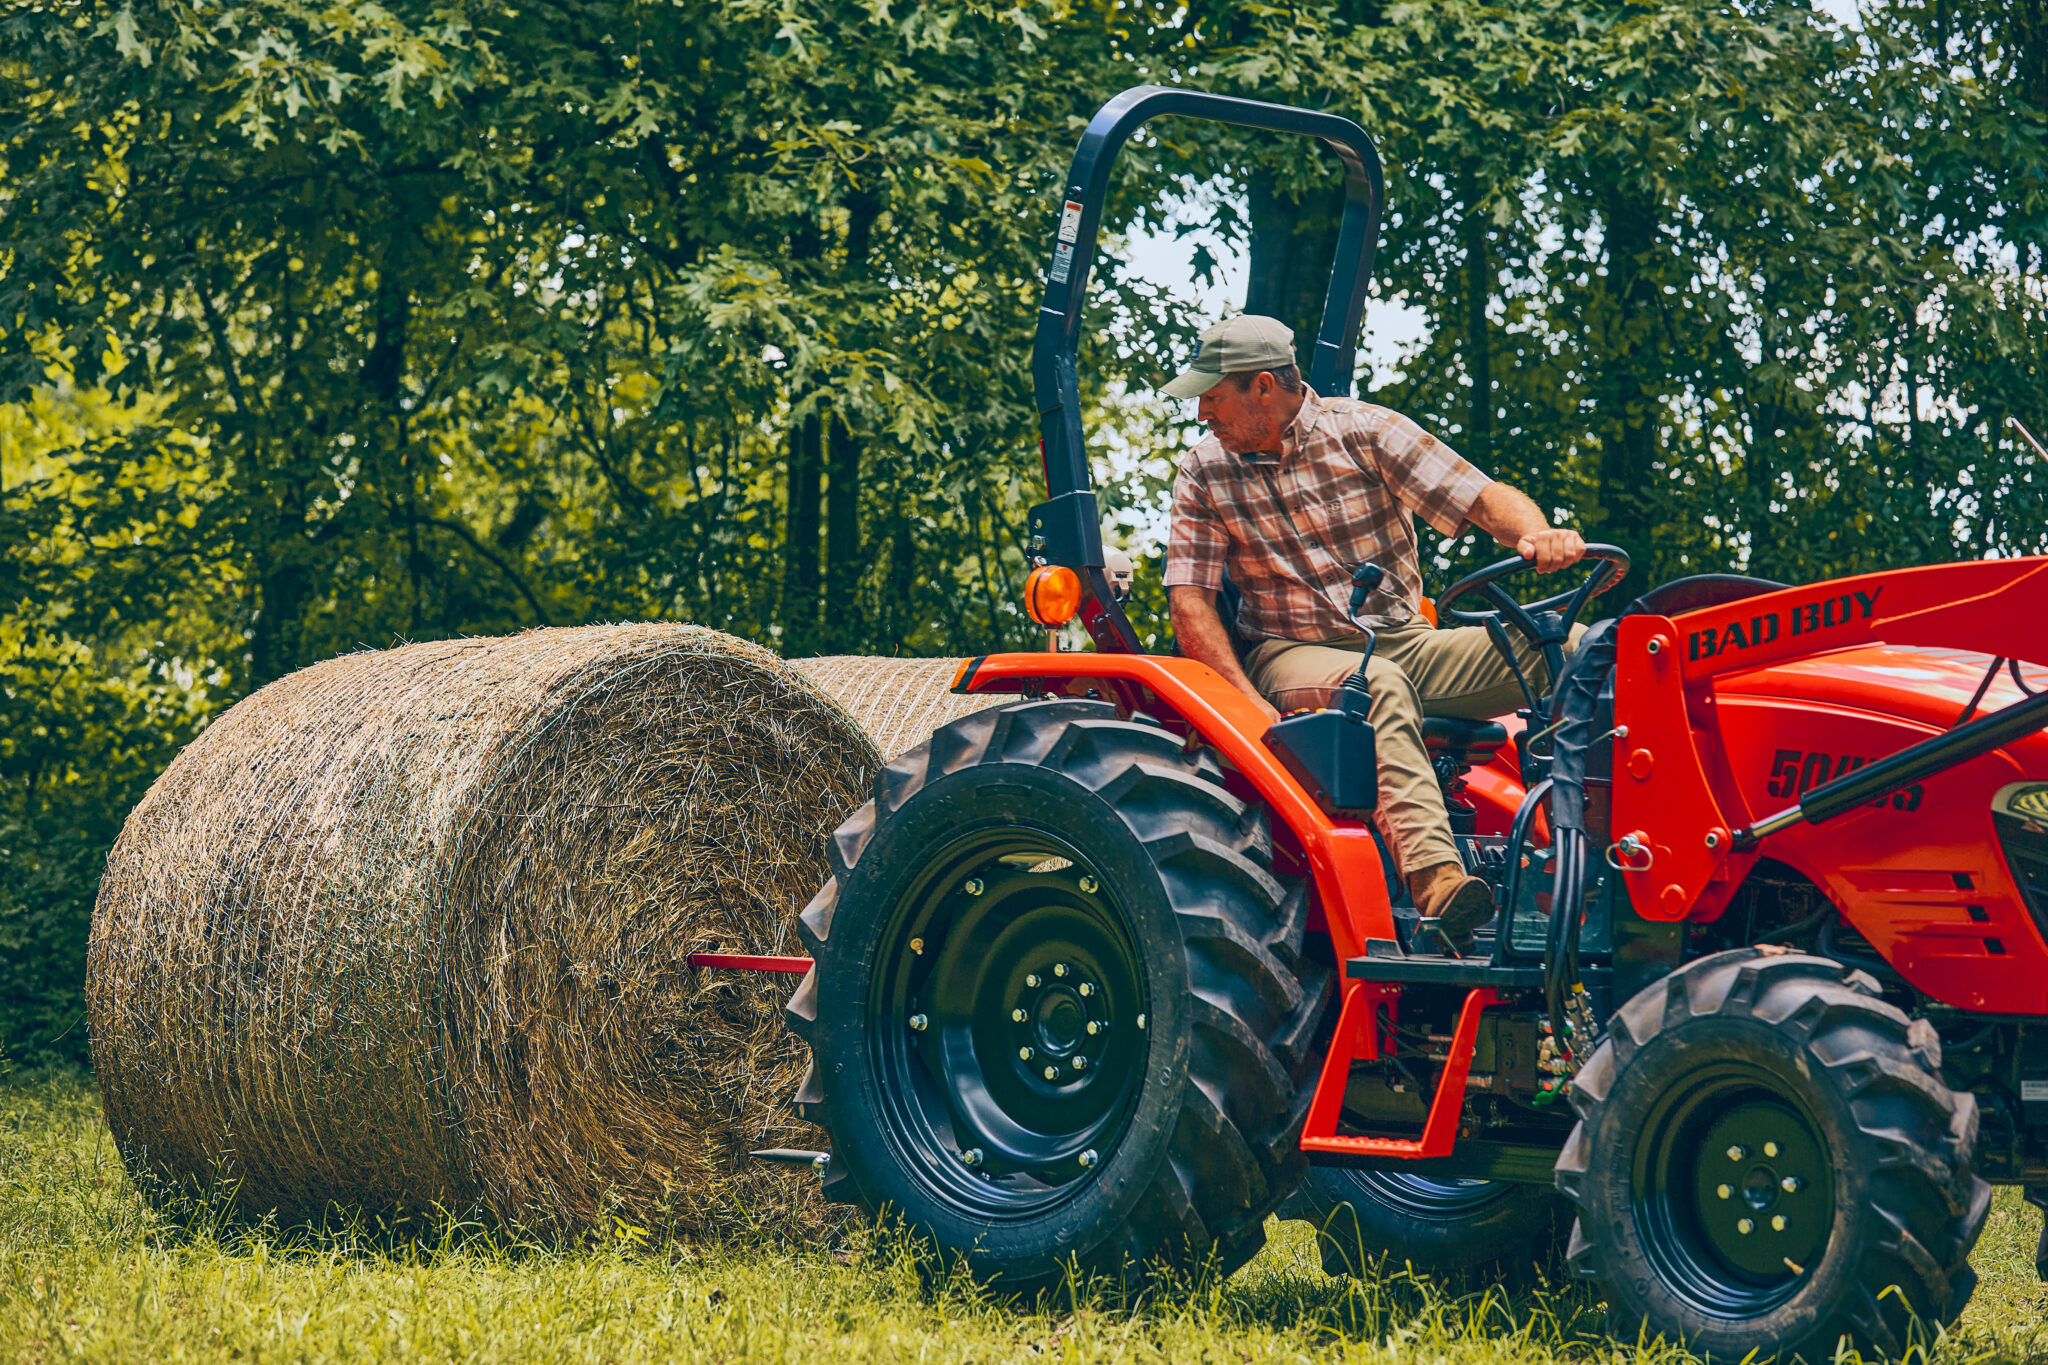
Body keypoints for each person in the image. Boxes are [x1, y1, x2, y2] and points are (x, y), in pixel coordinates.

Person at [1162, 314, 1587, 949]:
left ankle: (1610, 859)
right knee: (1375, 684)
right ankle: (1439, 884)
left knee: (1579, 649)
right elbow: (1190, 603)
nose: (1202, 413)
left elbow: (1480, 497)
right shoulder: (1204, 471)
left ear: (1263, 388)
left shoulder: (1367, 431)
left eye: (1212, 396)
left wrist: (1534, 533)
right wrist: (1247, 713)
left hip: (1402, 638)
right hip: (1289, 653)